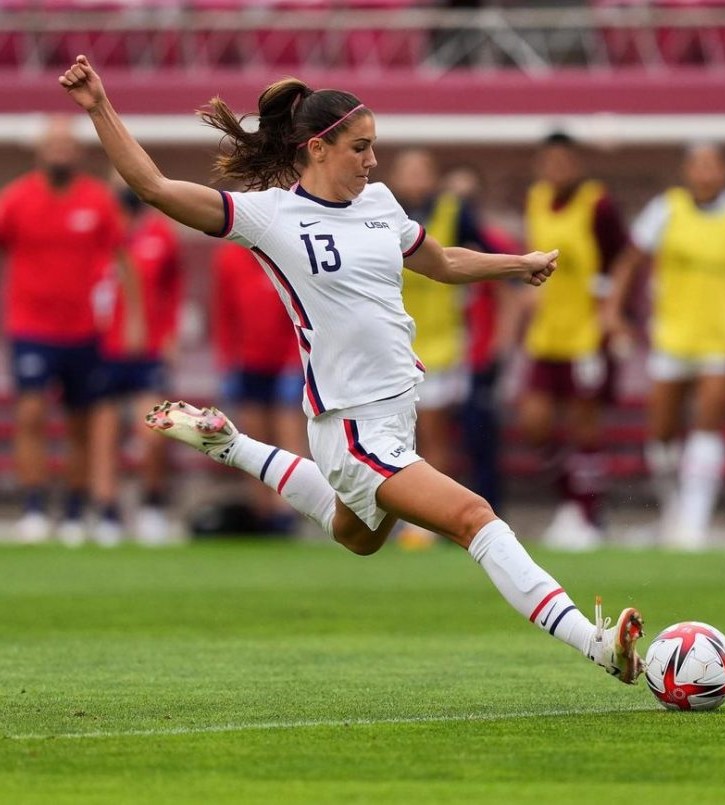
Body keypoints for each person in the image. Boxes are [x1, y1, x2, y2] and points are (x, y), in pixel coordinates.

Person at [59, 54, 645, 686]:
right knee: (474, 517)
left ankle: (231, 444)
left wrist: (516, 264)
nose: (373, 161)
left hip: (398, 412)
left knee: (358, 536)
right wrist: (98, 106)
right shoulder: (270, 216)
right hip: (349, 427)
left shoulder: (383, 204)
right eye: (361, 148)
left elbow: (442, 262)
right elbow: (154, 188)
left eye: (375, 147)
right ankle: (595, 643)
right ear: (319, 148)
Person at [604, 142, 725, 549]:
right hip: (671, 334)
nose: (705, 173)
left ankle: (694, 521)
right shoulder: (666, 209)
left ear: (724, 170)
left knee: (708, 421)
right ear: (687, 171)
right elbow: (629, 262)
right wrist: (614, 311)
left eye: (713, 165)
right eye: (698, 165)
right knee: (662, 432)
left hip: (723, 335)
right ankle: (674, 509)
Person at [0, 116, 142, 545]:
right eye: (53, 145)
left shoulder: (98, 201)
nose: (60, 152)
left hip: (85, 331)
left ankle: (78, 507)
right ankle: (35, 505)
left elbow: (124, 260)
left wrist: (134, 318)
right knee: (29, 414)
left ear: (77, 152)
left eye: (67, 145)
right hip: (31, 327)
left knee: (81, 423)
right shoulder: (15, 200)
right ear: (40, 151)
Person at [518, 132, 629, 550]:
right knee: (534, 422)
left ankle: (587, 515)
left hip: (587, 334)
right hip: (547, 332)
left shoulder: (597, 203)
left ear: (576, 163)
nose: (556, 169)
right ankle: (571, 501)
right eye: (549, 161)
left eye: (564, 161)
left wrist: (612, 310)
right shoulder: (535, 200)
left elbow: (625, 258)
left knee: (585, 427)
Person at [386, 149, 494, 546]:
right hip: (393, 343)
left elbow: (484, 252)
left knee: (433, 433)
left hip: (442, 343)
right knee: (396, 435)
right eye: (407, 171)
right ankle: (402, 514)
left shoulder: (453, 211)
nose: (415, 178)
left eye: (422, 171)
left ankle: (428, 522)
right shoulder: (382, 214)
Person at [90, 174, 183, 546]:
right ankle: (107, 510)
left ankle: (152, 505)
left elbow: (174, 287)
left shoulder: (160, 235)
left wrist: (170, 333)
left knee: (154, 431)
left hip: (148, 350)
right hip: (102, 348)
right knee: (104, 430)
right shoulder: (98, 234)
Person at [442, 163, 523, 514]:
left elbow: (513, 297)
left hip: (480, 353)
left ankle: (486, 507)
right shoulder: (434, 243)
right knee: (441, 435)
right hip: (442, 350)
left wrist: (500, 345)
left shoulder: (492, 243)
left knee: (479, 433)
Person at [211, 240, 307, 535]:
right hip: (249, 361)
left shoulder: (287, 253)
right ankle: (263, 510)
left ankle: (290, 510)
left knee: (289, 433)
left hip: (287, 360)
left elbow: (301, 312)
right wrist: (227, 362)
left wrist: (296, 362)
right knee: (254, 440)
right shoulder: (229, 257)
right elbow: (224, 312)